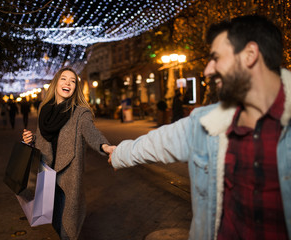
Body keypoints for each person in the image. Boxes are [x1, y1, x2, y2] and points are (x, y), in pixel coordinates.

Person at [108, 15, 290, 239]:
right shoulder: (206, 122)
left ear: (250, 55)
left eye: (215, 57)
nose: (207, 70)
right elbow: (160, 142)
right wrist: (119, 154)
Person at [22, 67, 113, 240]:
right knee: (55, 221)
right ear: (56, 83)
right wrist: (31, 138)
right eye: (64, 79)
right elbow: (44, 137)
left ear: (75, 88)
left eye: (72, 81)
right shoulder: (44, 109)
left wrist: (105, 146)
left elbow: (91, 132)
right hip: (46, 173)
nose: (68, 83)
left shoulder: (80, 112)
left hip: (67, 177)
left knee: (67, 228)